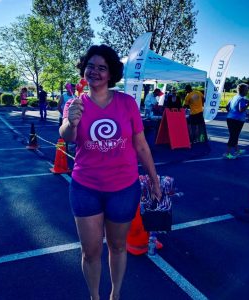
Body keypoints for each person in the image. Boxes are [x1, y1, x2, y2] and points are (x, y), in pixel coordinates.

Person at [59, 44, 162, 300]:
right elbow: (67, 136)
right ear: (84, 69)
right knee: (90, 251)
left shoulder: (127, 103)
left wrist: (154, 178)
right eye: (90, 66)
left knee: (117, 246)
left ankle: (115, 295)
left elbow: (140, 144)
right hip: (85, 188)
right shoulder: (75, 103)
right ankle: (95, 297)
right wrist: (71, 122)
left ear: (111, 73)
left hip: (123, 189)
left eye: (101, 68)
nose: (94, 71)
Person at [224, 83, 249, 159]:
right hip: (237, 120)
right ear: (242, 90)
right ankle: (227, 153)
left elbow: (227, 107)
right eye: (246, 90)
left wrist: (232, 113)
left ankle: (237, 150)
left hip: (230, 118)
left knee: (235, 135)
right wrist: (247, 105)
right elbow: (241, 109)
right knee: (233, 136)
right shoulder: (242, 98)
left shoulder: (234, 97)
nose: (247, 91)